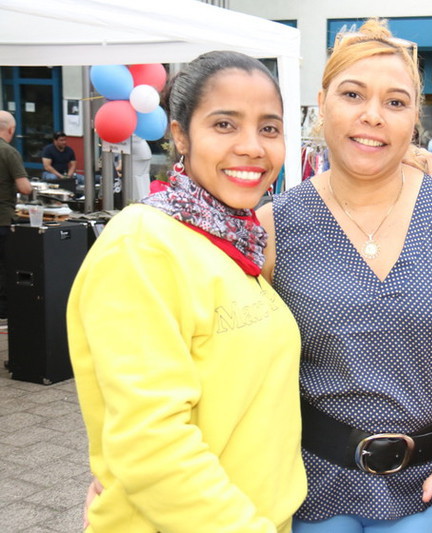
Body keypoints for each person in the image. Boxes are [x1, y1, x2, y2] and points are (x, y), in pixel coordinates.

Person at [258, 19, 432, 532]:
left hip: (430, 493)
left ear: (414, 117)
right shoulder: (273, 227)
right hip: (305, 491)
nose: (373, 115)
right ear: (322, 103)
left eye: (395, 102)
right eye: (353, 94)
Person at [68, 51, 306, 532]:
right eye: (224, 125)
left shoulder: (234, 239)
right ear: (180, 135)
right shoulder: (143, 246)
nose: (252, 147)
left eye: (269, 128)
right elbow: (152, 443)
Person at [0, 110, 32, 322]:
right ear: (11, 130)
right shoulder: (8, 152)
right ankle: (3, 312)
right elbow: (25, 187)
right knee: (4, 266)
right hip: (2, 218)